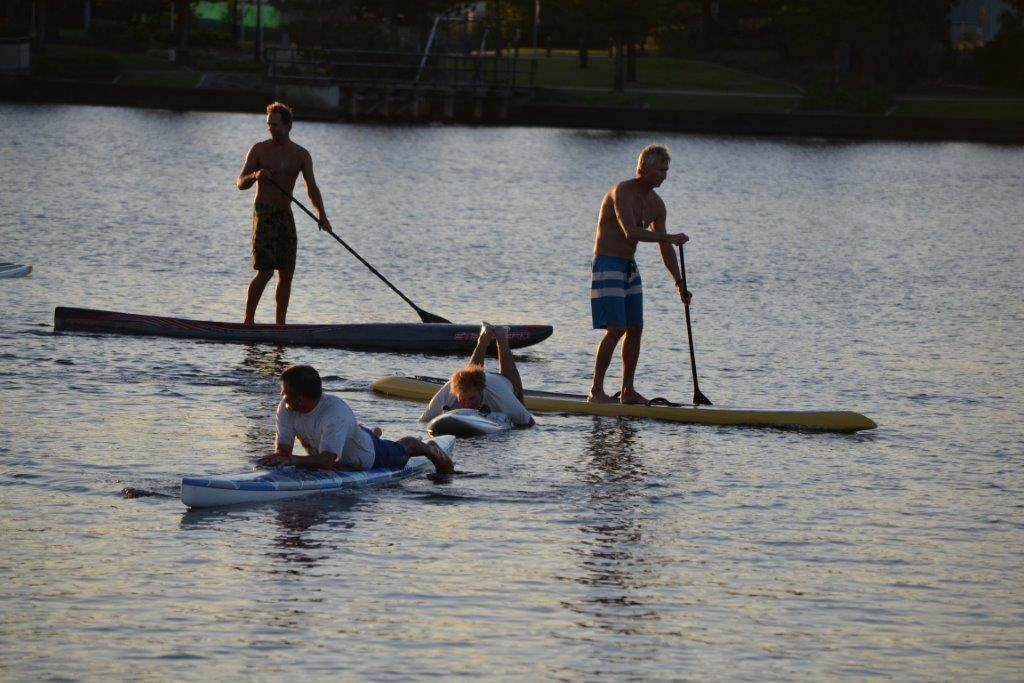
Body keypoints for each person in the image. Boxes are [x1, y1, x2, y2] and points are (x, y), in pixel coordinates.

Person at [588, 144, 693, 405]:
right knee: (616, 329)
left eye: (666, 170)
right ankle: (596, 392)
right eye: (659, 170)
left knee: (636, 328)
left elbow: (665, 247)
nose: (664, 175)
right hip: (607, 263)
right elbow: (630, 232)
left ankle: (627, 391)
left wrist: (679, 282)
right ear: (643, 168)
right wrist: (669, 236)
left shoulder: (657, 205)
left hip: (629, 266)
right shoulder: (621, 191)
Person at [237, 102, 333, 325]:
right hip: (264, 213)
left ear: (289, 126)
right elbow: (240, 182)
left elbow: (312, 188)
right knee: (266, 271)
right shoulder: (259, 149)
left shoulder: (301, 155)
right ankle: (248, 321)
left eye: (276, 125)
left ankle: (281, 325)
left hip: (285, 215)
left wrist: (322, 216)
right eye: (269, 125)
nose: (271, 129)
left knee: (286, 272)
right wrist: (256, 176)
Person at [258, 365, 454, 473]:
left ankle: (428, 447)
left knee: (403, 450)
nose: (281, 396)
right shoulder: (286, 408)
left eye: (284, 392)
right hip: (336, 451)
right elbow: (284, 452)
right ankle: (370, 433)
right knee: (359, 433)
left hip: (368, 456)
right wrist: (278, 460)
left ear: (300, 397)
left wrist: (291, 460)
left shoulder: (334, 412)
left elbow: (326, 460)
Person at [419, 324, 535, 427]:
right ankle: (483, 338)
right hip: (475, 379)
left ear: (481, 391)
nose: (468, 404)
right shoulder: (449, 391)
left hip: (501, 382)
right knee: (470, 372)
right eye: (462, 399)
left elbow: (529, 422)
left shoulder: (501, 396)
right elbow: (424, 420)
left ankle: (501, 337)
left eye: (472, 399)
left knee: (519, 396)